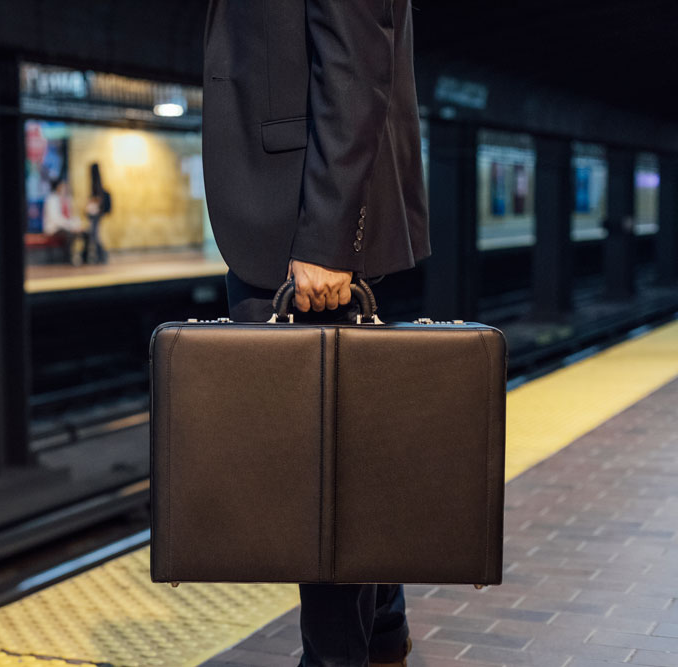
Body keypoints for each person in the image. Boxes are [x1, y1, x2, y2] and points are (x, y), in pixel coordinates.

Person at [202, 1, 430, 665]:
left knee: (315, 461)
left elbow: (357, 59)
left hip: (301, 214)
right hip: (287, 203)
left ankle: (334, 657)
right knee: (341, 445)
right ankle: (382, 623)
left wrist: (327, 236)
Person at [43, 177, 86, 265]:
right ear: (58, 187)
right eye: (63, 186)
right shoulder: (52, 199)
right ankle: (68, 259)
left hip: (66, 226)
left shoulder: (67, 199)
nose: (65, 188)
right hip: (54, 228)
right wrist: (71, 227)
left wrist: (77, 225)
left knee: (85, 233)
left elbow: (71, 216)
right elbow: (56, 219)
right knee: (69, 234)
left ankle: (84, 258)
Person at [84, 162, 112, 264]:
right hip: (94, 214)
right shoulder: (96, 184)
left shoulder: (96, 186)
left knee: (95, 235)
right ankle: (99, 256)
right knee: (93, 235)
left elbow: (97, 201)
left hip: (96, 214)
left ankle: (102, 255)